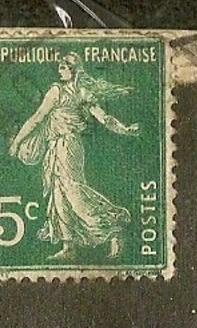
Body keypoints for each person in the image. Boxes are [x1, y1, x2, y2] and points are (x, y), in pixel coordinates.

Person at [9, 52, 140, 261]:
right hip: (55, 146)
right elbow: (38, 118)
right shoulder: (63, 90)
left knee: (73, 191)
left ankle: (112, 229)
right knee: (58, 194)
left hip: (68, 146)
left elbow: (102, 118)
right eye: (60, 66)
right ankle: (68, 246)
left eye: (64, 66)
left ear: (74, 69)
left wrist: (124, 129)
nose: (60, 69)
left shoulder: (70, 92)